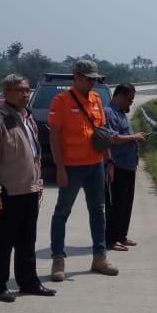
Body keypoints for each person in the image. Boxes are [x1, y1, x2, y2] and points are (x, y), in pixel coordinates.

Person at [0, 74, 57, 303]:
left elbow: (34, 153)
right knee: (2, 243)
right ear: (7, 92)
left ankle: (28, 281)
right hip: (6, 193)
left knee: (27, 241)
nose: (26, 94)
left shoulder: (28, 117)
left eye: (27, 89)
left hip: (29, 190)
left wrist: (39, 181)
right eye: (21, 90)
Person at [48, 60, 119, 282]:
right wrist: (59, 168)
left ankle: (99, 257)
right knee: (62, 212)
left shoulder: (97, 99)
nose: (91, 82)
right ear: (76, 77)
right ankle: (58, 259)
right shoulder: (61, 101)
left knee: (98, 212)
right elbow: (54, 136)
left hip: (95, 165)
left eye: (94, 79)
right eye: (88, 78)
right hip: (71, 166)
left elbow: (103, 134)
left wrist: (108, 162)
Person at [104, 84, 148, 252]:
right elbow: (112, 138)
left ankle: (121, 235)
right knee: (115, 205)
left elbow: (125, 137)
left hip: (129, 166)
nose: (130, 103)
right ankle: (112, 239)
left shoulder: (121, 113)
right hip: (117, 165)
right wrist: (133, 137)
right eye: (129, 100)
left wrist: (135, 138)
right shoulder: (109, 113)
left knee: (126, 204)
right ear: (119, 96)